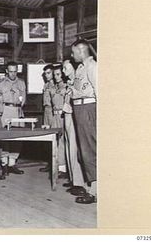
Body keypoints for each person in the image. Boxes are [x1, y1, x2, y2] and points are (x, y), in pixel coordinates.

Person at [68, 39, 97, 204]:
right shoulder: (81, 68)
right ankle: (90, 187)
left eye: (73, 52)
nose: (72, 56)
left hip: (88, 109)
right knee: (84, 151)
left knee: (90, 150)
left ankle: (95, 192)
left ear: (80, 51)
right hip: (79, 110)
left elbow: (99, 92)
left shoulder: (93, 67)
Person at [62, 60, 87, 196]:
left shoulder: (76, 81)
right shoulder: (69, 83)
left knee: (74, 149)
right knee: (68, 149)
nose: (63, 71)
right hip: (67, 116)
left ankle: (79, 183)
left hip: (74, 117)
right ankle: (73, 180)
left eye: (66, 68)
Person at [0, 61, 26, 174]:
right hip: (5, 110)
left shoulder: (21, 82)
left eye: (15, 71)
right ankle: (4, 163)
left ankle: (12, 163)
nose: (13, 74)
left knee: (17, 137)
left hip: (17, 110)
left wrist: (19, 107)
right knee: (4, 137)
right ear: (6, 71)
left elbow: (24, 97)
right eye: (10, 71)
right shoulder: (1, 83)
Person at [49, 64, 68, 178]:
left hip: (63, 116)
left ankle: (64, 169)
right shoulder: (53, 88)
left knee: (63, 142)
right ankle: (58, 167)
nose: (56, 77)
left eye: (58, 74)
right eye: (54, 74)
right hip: (55, 116)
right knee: (55, 142)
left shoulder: (66, 87)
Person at [39, 64, 55, 173]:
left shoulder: (57, 85)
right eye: (45, 73)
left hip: (54, 112)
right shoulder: (46, 85)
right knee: (47, 137)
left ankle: (57, 165)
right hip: (46, 111)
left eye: (48, 73)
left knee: (55, 137)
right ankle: (50, 163)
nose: (46, 75)